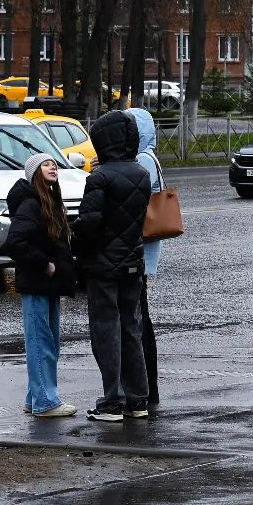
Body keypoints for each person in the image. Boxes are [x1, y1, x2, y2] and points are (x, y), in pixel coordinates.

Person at [72, 110, 153, 420]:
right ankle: (137, 399)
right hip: (133, 261)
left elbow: (89, 224)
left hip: (103, 267)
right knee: (132, 327)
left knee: (106, 331)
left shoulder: (99, 178)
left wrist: (75, 242)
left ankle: (111, 401)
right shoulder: (141, 173)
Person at [5, 153, 78, 418]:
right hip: (37, 283)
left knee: (49, 343)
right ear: (35, 173)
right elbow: (15, 242)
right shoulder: (30, 204)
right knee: (41, 343)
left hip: (49, 285)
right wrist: (44, 264)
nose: (53, 167)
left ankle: (34, 398)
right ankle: (46, 402)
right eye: (46, 165)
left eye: (54, 164)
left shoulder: (48, 202)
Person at [127, 107, 165, 409]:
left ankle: (147, 389)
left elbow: (132, 198)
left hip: (139, 249)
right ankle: (148, 388)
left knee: (139, 320)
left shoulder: (141, 160)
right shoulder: (148, 156)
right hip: (144, 249)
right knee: (141, 318)